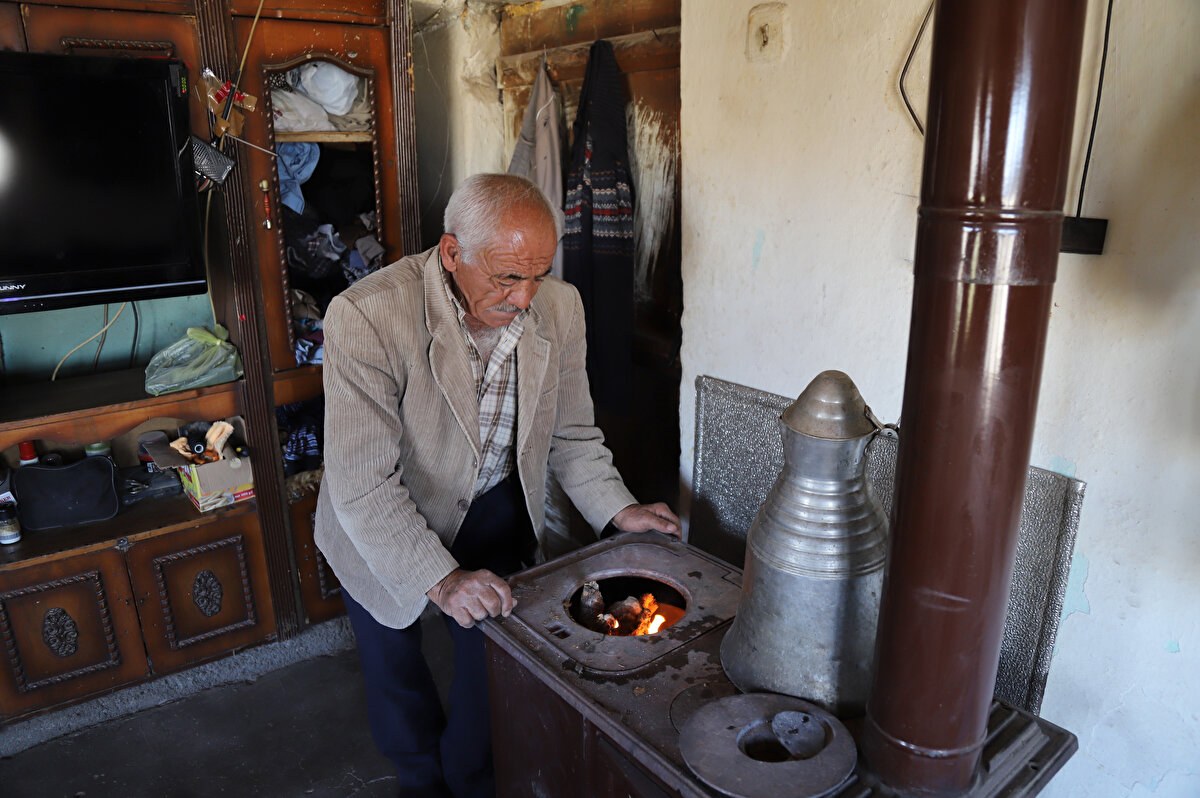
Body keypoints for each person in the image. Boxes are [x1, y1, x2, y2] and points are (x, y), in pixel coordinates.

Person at [314, 173, 681, 798]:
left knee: (496, 663)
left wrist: (619, 511)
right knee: (394, 669)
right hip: (380, 516)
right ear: (453, 253)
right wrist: (443, 578)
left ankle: (473, 778)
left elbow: (571, 434)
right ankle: (421, 783)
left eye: (538, 274)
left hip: (490, 507)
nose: (524, 296)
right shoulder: (367, 316)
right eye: (508, 277)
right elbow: (364, 486)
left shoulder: (559, 308)